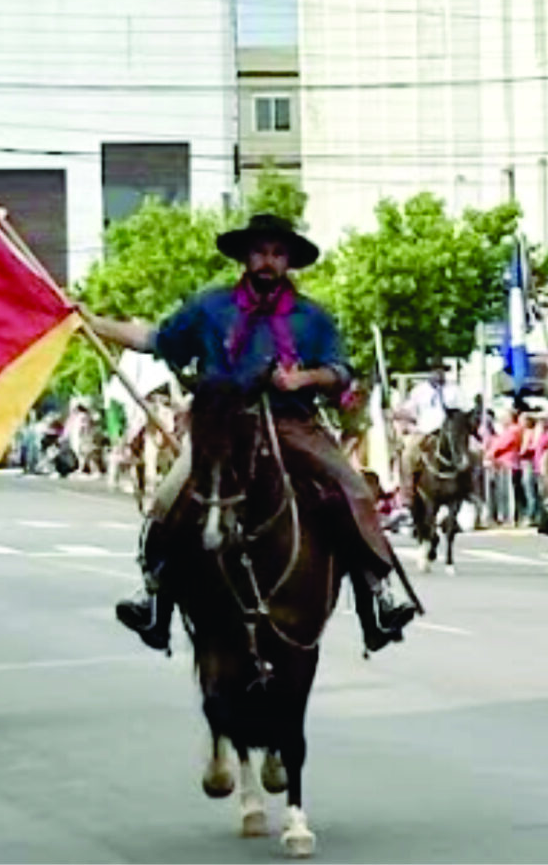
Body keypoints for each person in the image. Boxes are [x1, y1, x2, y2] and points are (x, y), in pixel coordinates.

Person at [80, 213, 419, 655]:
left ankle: (376, 597)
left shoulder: (313, 317)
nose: (268, 262)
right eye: (260, 251)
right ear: (244, 256)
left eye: (278, 254)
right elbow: (156, 340)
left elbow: (341, 372)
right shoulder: (209, 307)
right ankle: (154, 598)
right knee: (169, 496)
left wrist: (303, 380)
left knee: (352, 489)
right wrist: (92, 321)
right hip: (222, 426)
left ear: (289, 261)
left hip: (292, 423)